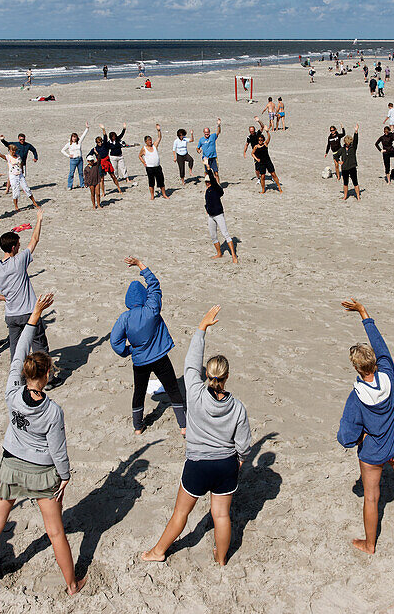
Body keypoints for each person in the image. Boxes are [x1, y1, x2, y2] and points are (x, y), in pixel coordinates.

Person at [0, 294, 84, 595]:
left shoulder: (12, 391)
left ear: (25, 373)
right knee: (55, 531)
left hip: (10, 466)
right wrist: (66, 476)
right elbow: (58, 450)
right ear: (47, 375)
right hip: (42, 472)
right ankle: (72, 584)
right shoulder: (52, 410)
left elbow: (19, 350)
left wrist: (34, 315)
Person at [141, 304, 251, 566]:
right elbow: (244, 445)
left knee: (181, 513)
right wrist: (241, 460)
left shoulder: (195, 391)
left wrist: (201, 328)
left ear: (207, 375)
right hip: (225, 465)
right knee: (222, 516)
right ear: (226, 377)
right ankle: (222, 558)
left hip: (198, 464)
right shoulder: (237, 407)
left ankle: (158, 551)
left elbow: (191, 362)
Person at [336, 299, 394, 553]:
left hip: (373, 453)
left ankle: (370, 544)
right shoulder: (388, 371)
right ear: (374, 362)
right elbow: (381, 345)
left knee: (372, 496)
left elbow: (345, 436)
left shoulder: (356, 398)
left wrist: (360, 438)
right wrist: (364, 313)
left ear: (356, 367)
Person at [110, 258, 188, 434]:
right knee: (173, 389)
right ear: (144, 296)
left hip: (140, 361)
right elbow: (154, 285)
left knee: (139, 392)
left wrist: (128, 351)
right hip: (160, 357)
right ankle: (183, 426)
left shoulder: (125, 317)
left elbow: (115, 342)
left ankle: (138, 427)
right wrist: (140, 265)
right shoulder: (152, 308)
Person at [0, 208, 48, 360]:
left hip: (11, 315)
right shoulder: (18, 261)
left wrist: (3, 298)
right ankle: (48, 380)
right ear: (13, 248)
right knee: (39, 346)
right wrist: (39, 220)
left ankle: (17, 378)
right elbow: (34, 240)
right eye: (17, 245)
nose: (19, 247)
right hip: (28, 312)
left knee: (16, 351)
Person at [203, 164, 238, 263]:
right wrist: (207, 209)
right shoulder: (207, 191)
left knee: (225, 234)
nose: (208, 183)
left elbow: (214, 181)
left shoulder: (217, 189)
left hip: (218, 215)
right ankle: (219, 253)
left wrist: (208, 168)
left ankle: (234, 255)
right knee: (213, 236)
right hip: (211, 216)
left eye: (209, 182)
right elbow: (207, 202)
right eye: (206, 182)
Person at [139, 125, 169, 200]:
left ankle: (164, 194)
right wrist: (143, 162)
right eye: (148, 140)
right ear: (145, 142)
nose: (150, 141)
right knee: (151, 182)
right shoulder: (144, 148)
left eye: (151, 140)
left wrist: (159, 131)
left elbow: (159, 138)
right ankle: (152, 196)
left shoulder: (154, 146)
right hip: (149, 168)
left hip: (157, 166)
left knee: (161, 181)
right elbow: (139, 156)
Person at [337, 125, 361, 201]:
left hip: (352, 167)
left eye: (349, 143)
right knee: (345, 183)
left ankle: (358, 196)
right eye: (347, 143)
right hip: (344, 168)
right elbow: (335, 156)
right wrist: (338, 161)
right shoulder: (342, 149)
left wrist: (356, 132)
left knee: (355, 182)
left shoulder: (353, 148)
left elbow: (356, 141)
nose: (348, 144)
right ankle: (345, 196)